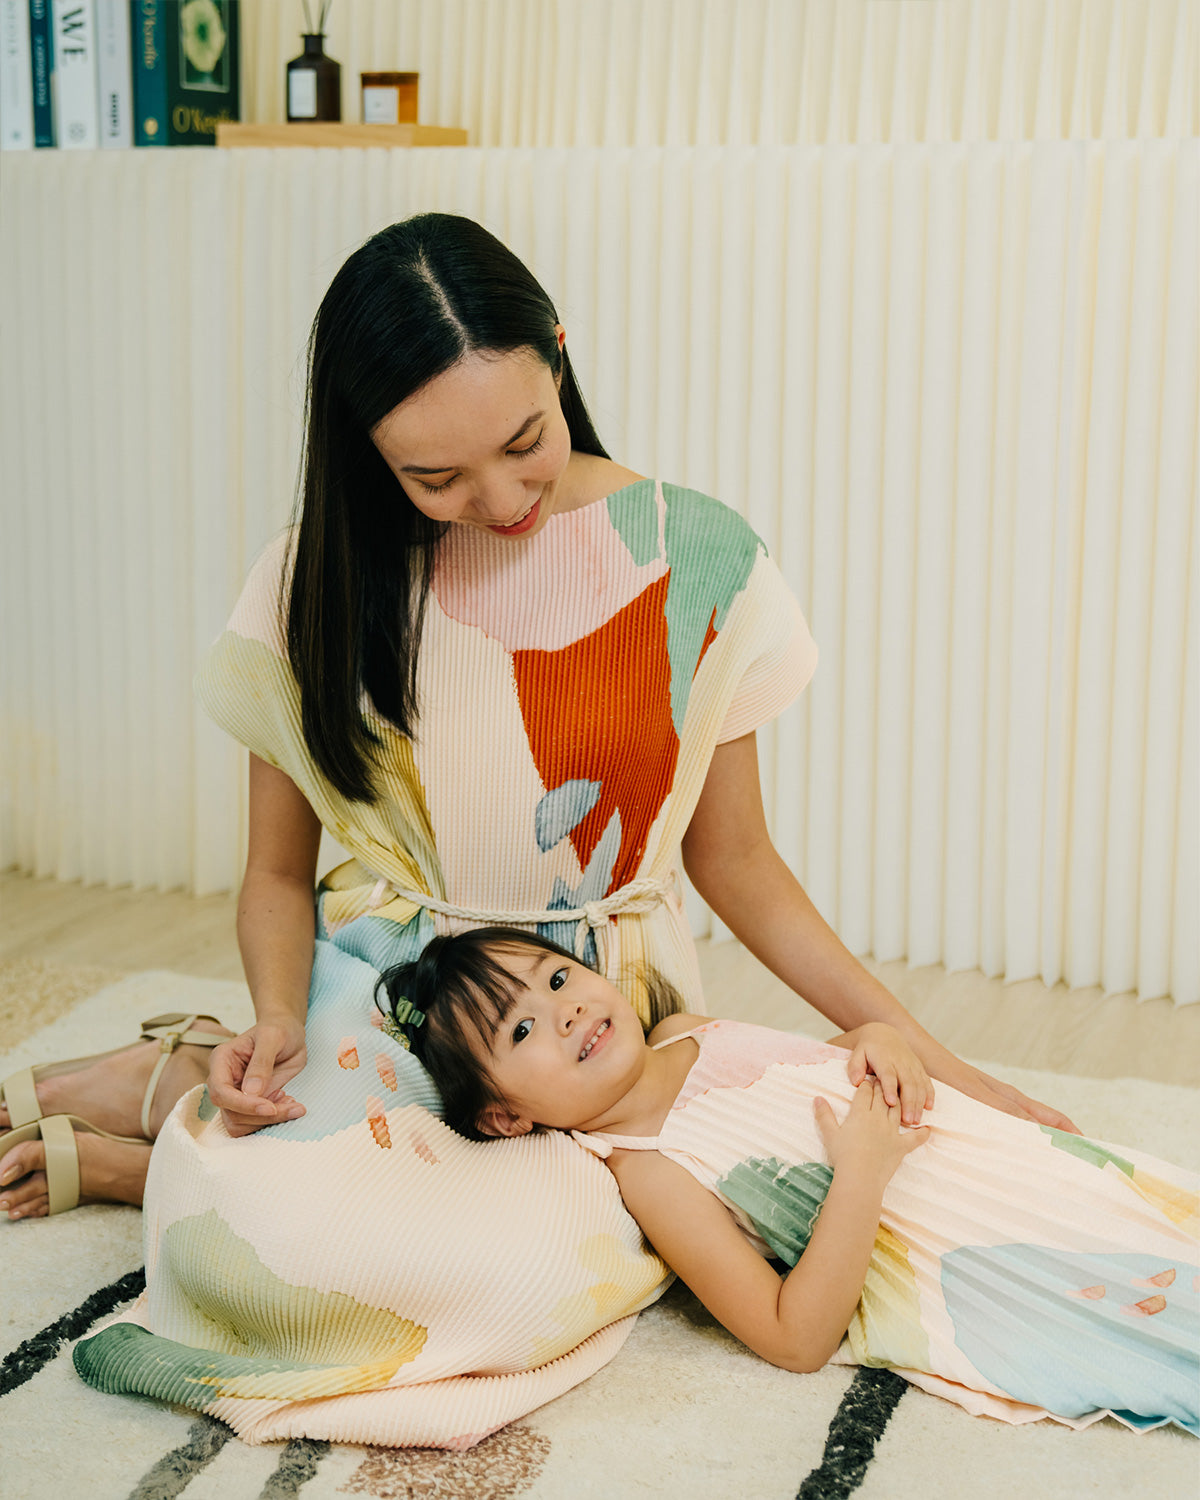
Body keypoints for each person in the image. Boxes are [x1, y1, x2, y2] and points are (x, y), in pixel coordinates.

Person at [12, 209, 1085, 1445]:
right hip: (395, 998)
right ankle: (187, 1089)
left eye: (524, 441)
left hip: (588, 1032)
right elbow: (271, 874)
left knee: (515, 1283)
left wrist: (924, 1047)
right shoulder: (314, 577)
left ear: (561, 356)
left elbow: (736, 863)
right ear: (363, 450)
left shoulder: (698, 559)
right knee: (283, 1259)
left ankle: (162, 1123)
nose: (500, 497)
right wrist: (271, 1016)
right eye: (435, 477)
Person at [380, 924, 1199, 1435]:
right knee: (1151, 1314)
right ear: (504, 1118)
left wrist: (874, 1037)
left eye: (557, 978)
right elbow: (794, 1339)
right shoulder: (648, 1168)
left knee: (1166, 1218)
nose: (563, 1012)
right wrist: (862, 1174)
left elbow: (808, 1065)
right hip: (946, 1231)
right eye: (521, 1028)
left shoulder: (684, 1030)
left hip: (983, 1152)